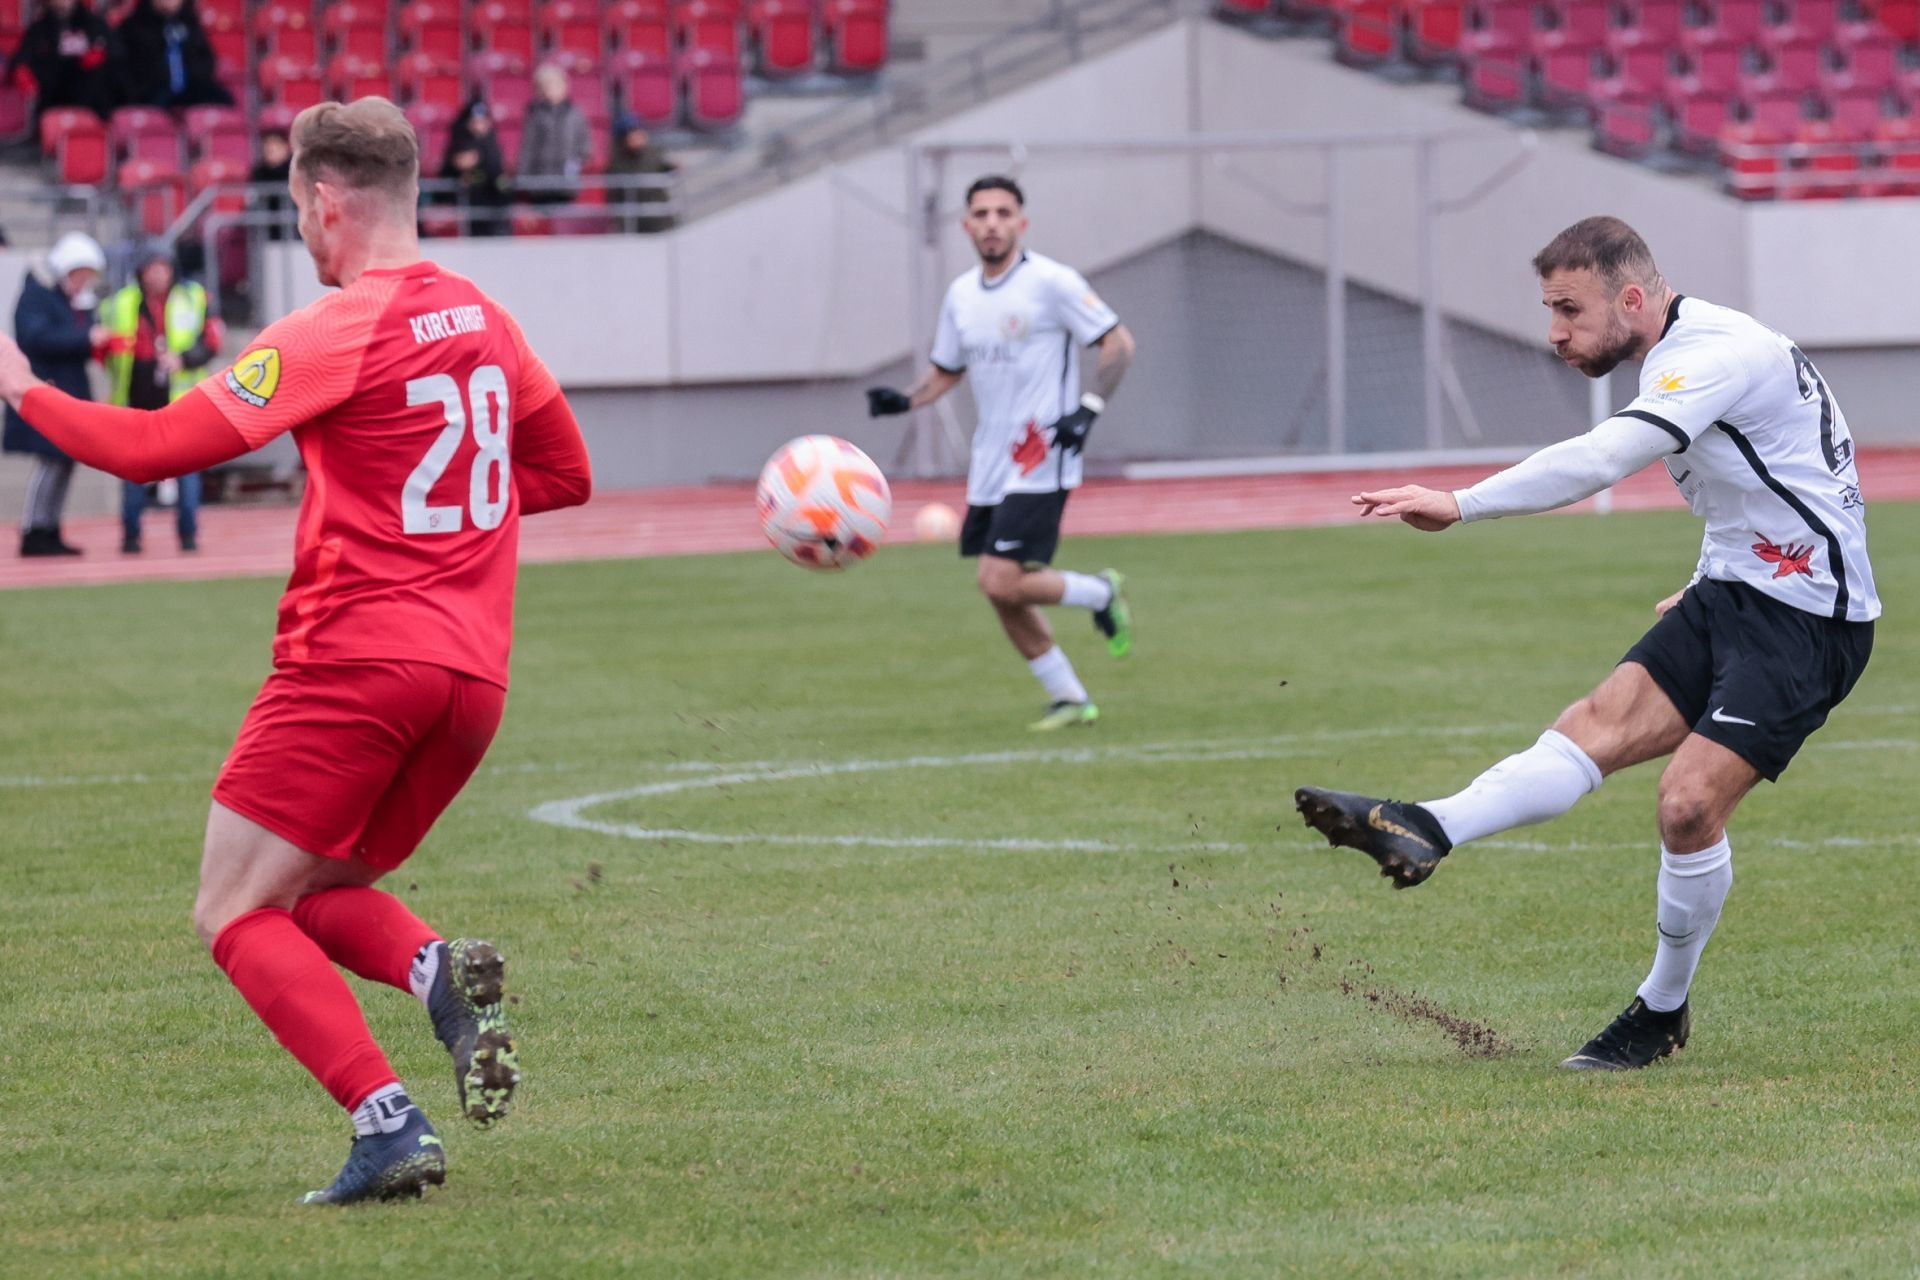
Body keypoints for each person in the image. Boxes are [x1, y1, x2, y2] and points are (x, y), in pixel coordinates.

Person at [0, 97, 592, 1202]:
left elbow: (155, 446)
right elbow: (565, 472)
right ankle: (434, 970)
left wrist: (23, 386)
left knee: (230, 910)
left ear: (325, 203)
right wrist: (436, 525)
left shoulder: (334, 328)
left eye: (298, 210)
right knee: (310, 890)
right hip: (471, 684)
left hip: (352, 665)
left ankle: (387, 1121)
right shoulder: (488, 319)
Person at [1292, 216, 1877, 1071]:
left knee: (1687, 806)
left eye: (1568, 310)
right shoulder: (1694, 347)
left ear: (1631, 298)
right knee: (1588, 728)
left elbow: (1604, 458)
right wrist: (1715, 571)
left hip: (1810, 618)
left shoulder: (1709, 354)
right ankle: (1426, 825)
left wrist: (1461, 502)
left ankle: (1660, 1011)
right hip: (1735, 591)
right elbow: (1767, 478)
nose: (1555, 333)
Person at [866, 176, 1138, 731]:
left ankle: (1099, 591)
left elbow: (1119, 343)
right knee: (1002, 592)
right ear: (966, 225)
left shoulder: (1052, 283)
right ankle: (1070, 698)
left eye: (1003, 213)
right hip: (989, 463)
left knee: (998, 580)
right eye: (982, 214)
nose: (992, 223)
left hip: (1041, 457)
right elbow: (948, 369)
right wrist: (906, 400)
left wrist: (1087, 409)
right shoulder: (961, 295)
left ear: (1021, 223)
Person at [100, 243, 222, 553]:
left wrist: (183, 359)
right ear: (140, 272)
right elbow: (103, 346)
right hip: (136, 397)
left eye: (162, 268)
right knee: (134, 473)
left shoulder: (194, 297)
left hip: (182, 400)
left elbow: (211, 341)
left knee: (187, 471)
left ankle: (188, 534)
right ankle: (131, 536)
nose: (157, 275)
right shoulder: (122, 302)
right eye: (151, 268)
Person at [5, 231, 107, 557]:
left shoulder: (75, 301)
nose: (83, 283)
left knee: (64, 462)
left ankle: (50, 527)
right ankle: (33, 529)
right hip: (46, 388)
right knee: (50, 462)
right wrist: (86, 338)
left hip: (68, 390)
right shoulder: (37, 296)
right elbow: (35, 338)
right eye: (80, 275)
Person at [110, 0, 233, 109]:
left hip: (189, 88)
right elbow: (126, 70)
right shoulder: (132, 27)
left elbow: (206, 60)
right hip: (150, 91)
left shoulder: (190, 24)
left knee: (222, 100)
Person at [9, 0, 114, 121]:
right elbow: (23, 58)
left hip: (93, 103)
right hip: (51, 102)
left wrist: (103, 55)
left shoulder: (95, 25)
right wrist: (22, 70)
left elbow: (116, 53)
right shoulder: (38, 29)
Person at [516, 63, 590, 206]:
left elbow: (585, 145)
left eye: (554, 84)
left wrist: (575, 164)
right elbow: (527, 147)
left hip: (566, 183)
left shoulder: (576, 113)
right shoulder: (535, 114)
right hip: (539, 182)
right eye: (545, 85)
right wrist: (523, 176)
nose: (549, 89)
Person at [438, 98, 510, 236]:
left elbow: (497, 175)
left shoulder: (492, 145)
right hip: (467, 207)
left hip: (492, 206)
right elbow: (448, 171)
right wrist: (459, 168)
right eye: (474, 121)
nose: (478, 126)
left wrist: (478, 159)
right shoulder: (459, 142)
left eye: (482, 121)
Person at [604, 114, 674, 233]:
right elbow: (614, 198)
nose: (637, 137)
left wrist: (674, 168)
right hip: (633, 224)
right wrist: (621, 223)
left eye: (638, 132)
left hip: (659, 220)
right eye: (631, 134)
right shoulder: (617, 164)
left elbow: (669, 169)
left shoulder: (655, 154)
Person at [249, 127, 293, 241]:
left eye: (275, 144)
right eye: (266, 144)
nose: (270, 148)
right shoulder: (258, 173)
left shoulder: (297, 171)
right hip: (266, 237)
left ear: (285, 147)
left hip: (296, 237)